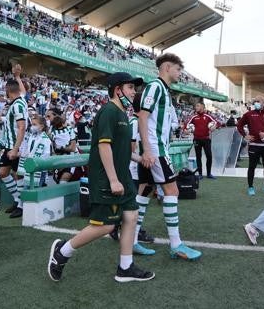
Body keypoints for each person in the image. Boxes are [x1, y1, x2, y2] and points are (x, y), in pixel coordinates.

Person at [47, 72, 155, 283]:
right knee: (105, 226)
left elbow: (119, 148)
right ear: (118, 90)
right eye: (131, 88)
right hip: (107, 178)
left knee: (131, 217)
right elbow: (104, 146)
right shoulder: (109, 112)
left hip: (122, 177)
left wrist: (138, 158)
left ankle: (125, 267)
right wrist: (113, 180)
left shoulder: (122, 113)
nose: (134, 92)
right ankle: (62, 252)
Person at [135, 53, 202, 260]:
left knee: (145, 190)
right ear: (166, 67)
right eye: (178, 69)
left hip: (155, 147)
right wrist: (147, 149)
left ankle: (132, 238)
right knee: (172, 190)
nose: (180, 73)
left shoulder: (164, 89)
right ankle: (176, 244)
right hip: (155, 149)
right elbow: (142, 117)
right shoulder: (155, 86)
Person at [0, 79, 28, 219]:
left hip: (17, 146)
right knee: (3, 172)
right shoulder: (19, 100)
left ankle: (21, 205)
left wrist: (15, 149)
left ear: (8, 91)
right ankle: (17, 200)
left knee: (18, 175)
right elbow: (23, 91)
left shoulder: (17, 105)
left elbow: (22, 127)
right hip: (8, 144)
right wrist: (17, 76)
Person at [236, 96, 264, 196]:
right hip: (254, 145)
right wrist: (245, 135)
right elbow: (239, 125)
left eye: (258, 101)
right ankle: (250, 187)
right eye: (255, 101)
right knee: (252, 167)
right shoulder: (249, 114)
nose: (256, 103)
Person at [184, 102, 218, 179]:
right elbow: (186, 125)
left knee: (209, 156)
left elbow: (217, 123)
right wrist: (186, 130)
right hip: (196, 140)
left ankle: (209, 174)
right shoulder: (194, 117)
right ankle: (200, 174)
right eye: (196, 106)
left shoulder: (208, 116)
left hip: (206, 139)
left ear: (202, 107)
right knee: (198, 157)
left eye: (198, 105)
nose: (196, 107)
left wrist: (215, 127)